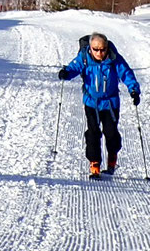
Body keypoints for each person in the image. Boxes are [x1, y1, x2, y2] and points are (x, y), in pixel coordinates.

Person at [57, 31, 141, 177]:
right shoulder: (84, 58)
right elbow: (73, 68)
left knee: (111, 133)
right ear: (90, 48)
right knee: (93, 132)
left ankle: (112, 158)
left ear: (107, 47)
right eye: (96, 49)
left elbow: (126, 74)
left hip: (110, 103)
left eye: (102, 49)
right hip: (91, 103)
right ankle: (94, 163)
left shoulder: (115, 59)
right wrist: (65, 73)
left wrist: (134, 90)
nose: (99, 53)